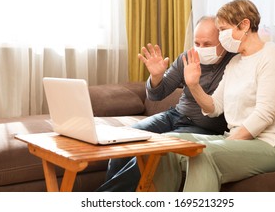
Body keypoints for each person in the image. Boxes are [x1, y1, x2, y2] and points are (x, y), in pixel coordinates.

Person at [152, 0, 275, 192]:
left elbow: (264, 114)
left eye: (223, 29)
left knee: (203, 154)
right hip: (241, 141)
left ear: (245, 25)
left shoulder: (273, 55)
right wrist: (194, 85)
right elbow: (214, 107)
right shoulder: (235, 63)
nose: (221, 36)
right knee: (166, 145)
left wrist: (224, 143)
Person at [95, 16, 236, 191]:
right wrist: (156, 77)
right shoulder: (187, 57)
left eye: (207, 44)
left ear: (223, 40)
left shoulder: (234, 64)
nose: (200, 49)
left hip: (204, 127)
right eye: (197, 43)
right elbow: (157, 95)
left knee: (152, 153)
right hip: (175, 115)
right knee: (123, 139)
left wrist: (194, 84)